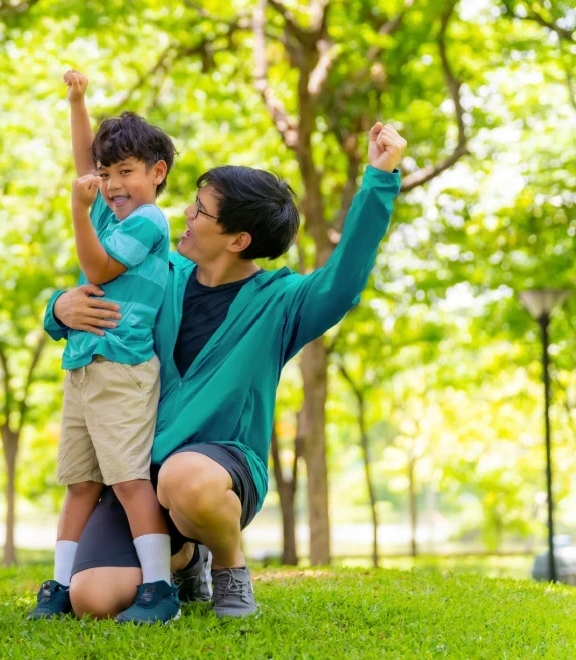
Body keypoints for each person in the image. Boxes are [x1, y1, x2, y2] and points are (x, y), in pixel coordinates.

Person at [45, 75, 408, 619]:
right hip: (140, 473)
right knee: (92, 599)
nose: (186, 216)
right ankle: (183, 557)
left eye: (200, 212)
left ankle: (228, 567)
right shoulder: (162, 273)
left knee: (185, 478)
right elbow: (92, 293)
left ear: (238, 239)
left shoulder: (281, 302)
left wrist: (378, 179)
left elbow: (344, 280)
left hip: (218, 471)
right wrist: (58, 309)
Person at [29, 70, 179, 625]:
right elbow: (83, 165)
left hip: (122, 369)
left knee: (128, 480)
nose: (112, 184)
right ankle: (60, 586)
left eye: (126, 172)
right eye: (108, 173)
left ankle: (160, 588)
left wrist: (76, 209)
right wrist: (77, 101)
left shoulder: (148, 221)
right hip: (84, 366)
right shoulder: (108, 212)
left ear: (156, 173)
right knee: (80, 484)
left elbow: (96, 268)